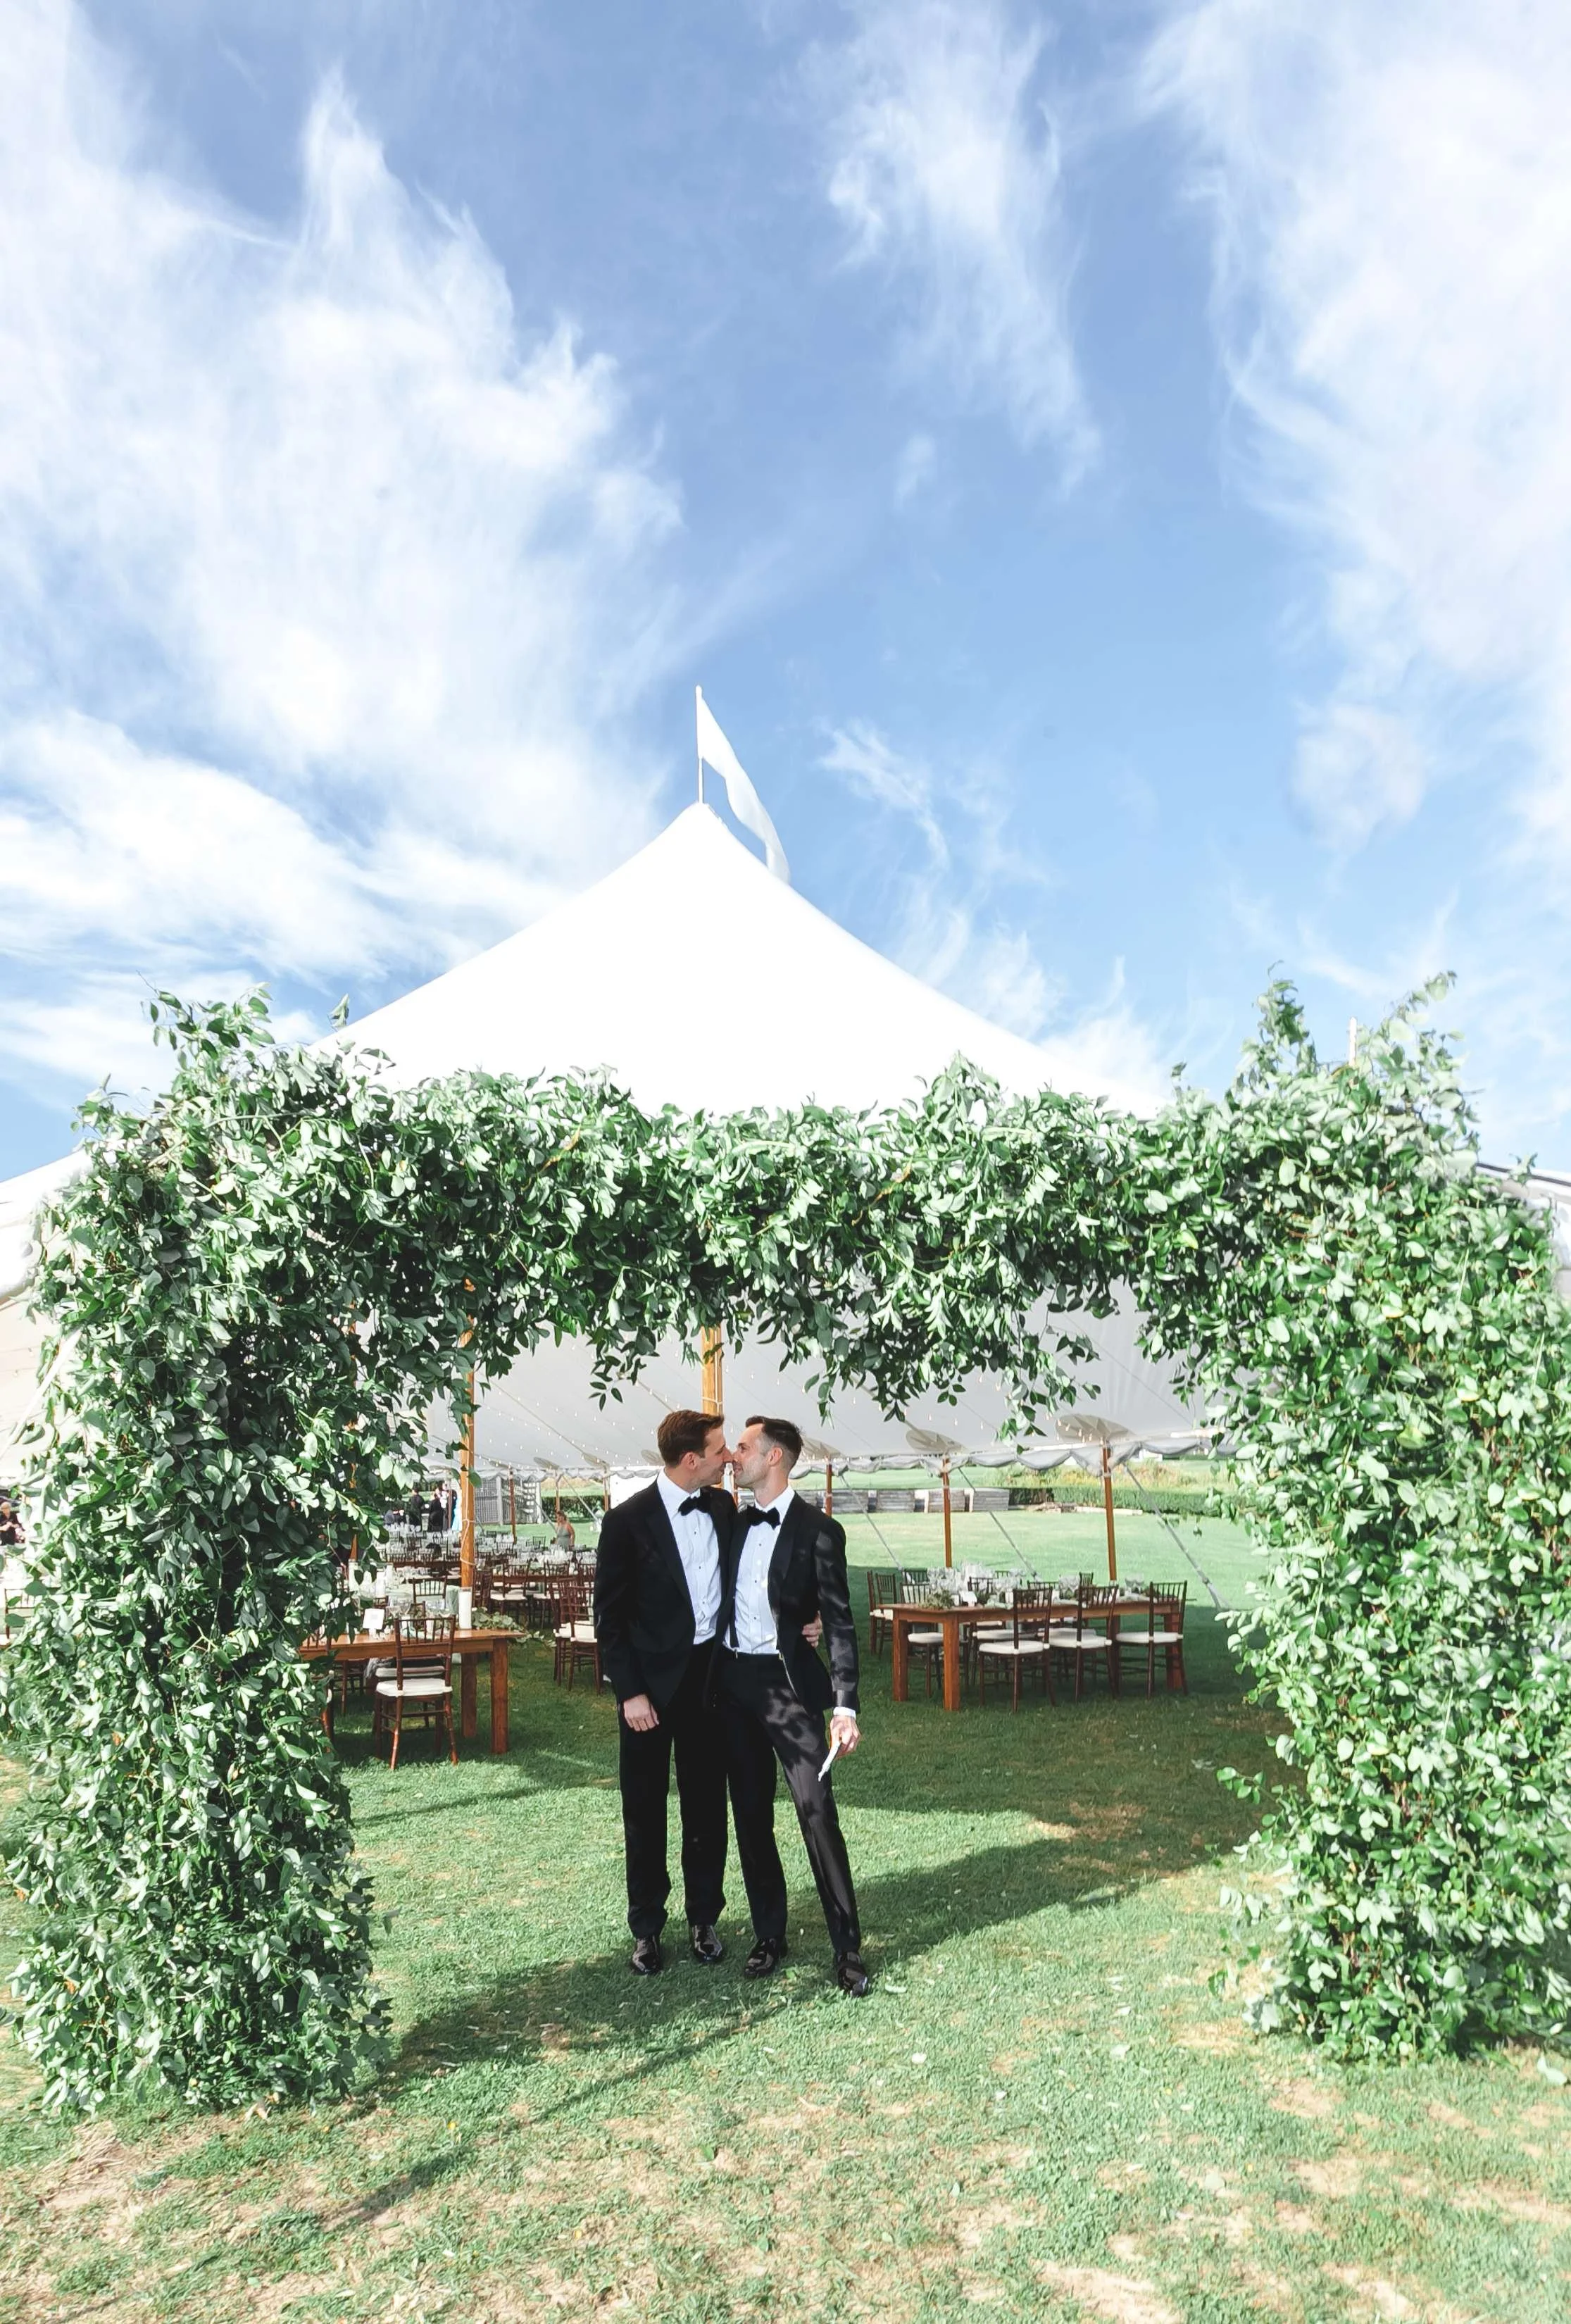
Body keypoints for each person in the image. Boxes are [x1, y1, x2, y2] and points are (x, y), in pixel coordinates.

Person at [715, 1416, 870, 1997]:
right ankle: (769, 1935)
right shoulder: (728, 1521)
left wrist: (844, 1705)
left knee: (815, 1810)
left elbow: (838, 1622)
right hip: (734, 1686)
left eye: (745, 1447)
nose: (734, 1456)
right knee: (750, 1815)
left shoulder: (819, 1531)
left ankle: (847, 1947)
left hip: (790, 1686)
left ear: (774, 1457)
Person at [592, 1409, 737, 1975]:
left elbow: (759, 1574)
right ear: (691, 1460)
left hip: (709, 1684)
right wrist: (629, 1693)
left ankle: (704, 1918)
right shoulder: (626, 1522)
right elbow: (609, 1617)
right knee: (644, 1810)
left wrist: (806, 1619)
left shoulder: (724, 1508)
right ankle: (647, 1927)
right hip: (648, 1694)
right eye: (719, 1450)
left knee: (706, 1806)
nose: (728, 1458)